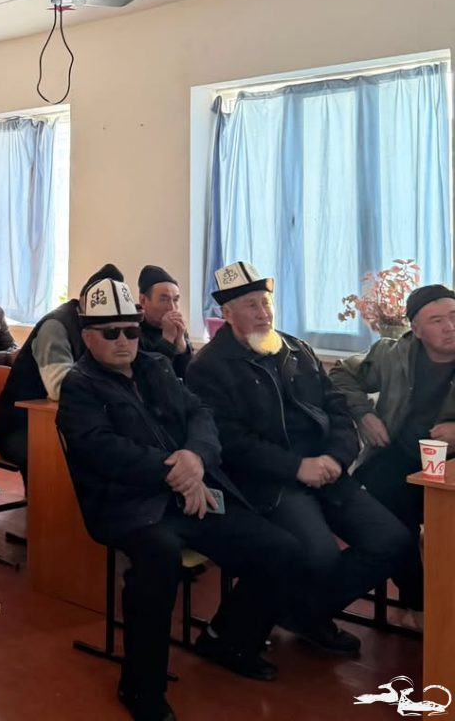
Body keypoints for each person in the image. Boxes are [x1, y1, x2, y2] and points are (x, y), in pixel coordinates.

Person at [58, 273, 302, 721]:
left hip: (190, 492)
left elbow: (200, 414)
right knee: (159, 562)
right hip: (128, 505)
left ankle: (228, 640)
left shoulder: (155, 366)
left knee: (281, 549)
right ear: (88, 337)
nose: (123, 341)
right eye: (110, 333)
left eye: (130, 331)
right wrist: (180, 472)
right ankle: (141, 687)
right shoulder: (79, 385)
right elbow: (103, 452)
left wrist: (196, 458)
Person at [186, 262, 409, 656]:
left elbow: (337, 407)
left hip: (327, 470)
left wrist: (337, 457)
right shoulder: (208, 367)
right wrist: (297, 468)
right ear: (227, 313)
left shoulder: (296, 350)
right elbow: (231, 442)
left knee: (391, 541)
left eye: (266, 303)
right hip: (270, 482)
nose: (263, 313)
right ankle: (295, 617)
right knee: (319, 555)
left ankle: (305, 613)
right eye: (251, 305)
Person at [330, 283, 455, 625]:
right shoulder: (392, 353)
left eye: (454, 316)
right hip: (397, 456)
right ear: (416, 330)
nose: (450, 327)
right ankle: (422, 605)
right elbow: (340, 374)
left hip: (449, 467)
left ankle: (436, 602)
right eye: (437, 321)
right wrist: (364, 415)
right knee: (392, 527)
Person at [0, 263, 122, 475]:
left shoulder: (102, 327)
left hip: (68, 422)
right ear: (85, 300)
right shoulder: (56, 326)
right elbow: (59, 388)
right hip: (24, 427)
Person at [137, 265, 193, 378]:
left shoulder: (177, 327)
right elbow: (152, 377)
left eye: (175, 300)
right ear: (143, 301)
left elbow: (190, 376)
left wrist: (181, 342)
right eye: (163, 300)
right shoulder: (133, 331)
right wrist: (167, 340)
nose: (172, 308)